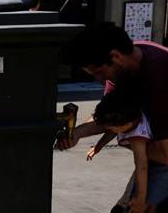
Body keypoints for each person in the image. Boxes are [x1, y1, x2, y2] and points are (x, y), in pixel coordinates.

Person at [58, 22, 168, 164]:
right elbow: (110, 117)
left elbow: (165, 156)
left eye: (99, 72)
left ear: (116, 56)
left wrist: (128, 140)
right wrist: (78, 133)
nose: (99, 79)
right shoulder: (123, 69)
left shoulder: (159, 76)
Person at [84, 89, 168, 213]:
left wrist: (140, 196)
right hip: (160, 167)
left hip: (159, 170)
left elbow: (141, 165)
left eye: (113, 127)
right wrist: (98, 146)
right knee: (151, 209)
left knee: (138, 209)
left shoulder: (137, 136)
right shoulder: (130, 117)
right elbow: (111, 131)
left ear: (124, 124)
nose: (111, 130)